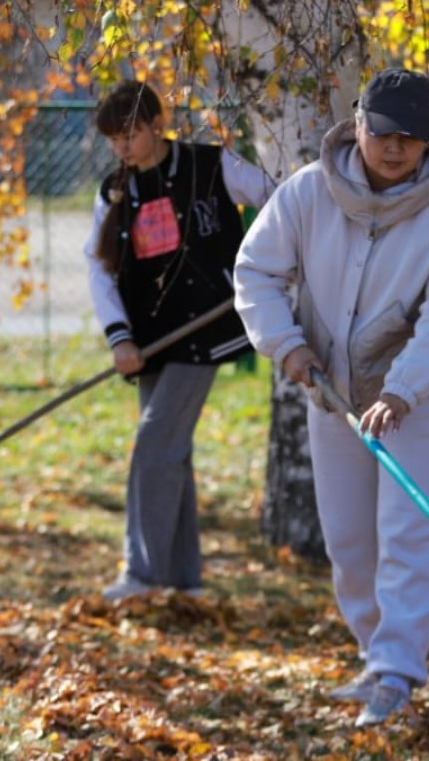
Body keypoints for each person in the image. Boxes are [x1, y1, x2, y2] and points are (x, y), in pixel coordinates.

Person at [232, 67, 429, 727]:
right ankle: (376, 655)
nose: (396, 148)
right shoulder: (308, 193)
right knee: (349, 542)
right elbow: (255, 271)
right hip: (335, 392)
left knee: (411, 534)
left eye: (410, 136)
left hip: (426, 396)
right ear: (357, 124)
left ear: (427, 141)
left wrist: (402, 391)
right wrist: (286, 345)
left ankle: (397, 670)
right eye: (383, 133)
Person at [84, 79, 275, 601]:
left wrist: (264, 273)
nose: (122, 147)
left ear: (155, 126)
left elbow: (278, 202)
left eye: (130, 134)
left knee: (154, 444)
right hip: (150, 340)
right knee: (172, 453)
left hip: (206, 331)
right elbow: (99, 270)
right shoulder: (114, 191)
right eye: (113, 138)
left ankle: (143, 575)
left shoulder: (210, 165)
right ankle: (184, 579)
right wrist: (119, 337)